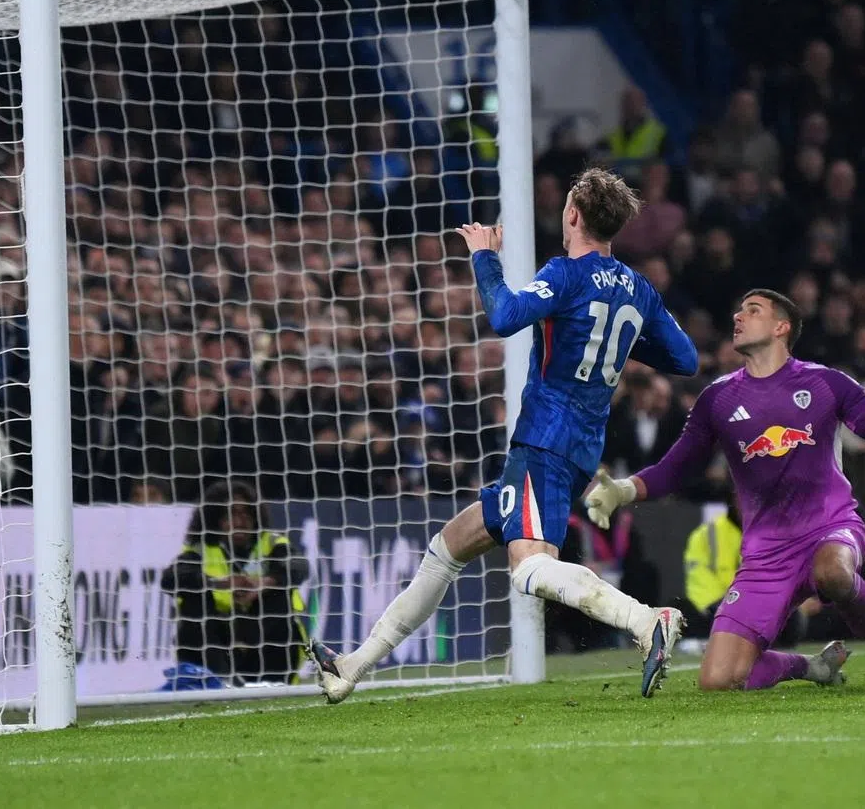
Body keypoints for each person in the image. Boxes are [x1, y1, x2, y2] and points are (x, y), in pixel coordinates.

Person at [310, 169, 699, 703]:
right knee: (445, 551)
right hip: (578, 446)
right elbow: (685, 357)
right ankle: (350, 666)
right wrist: (623, 336)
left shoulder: (565, 274)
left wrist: (483, 254)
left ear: (573, 216)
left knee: (529, 569)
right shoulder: (639, 287)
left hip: (545, 440)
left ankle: (644, 619)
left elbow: (505, 314)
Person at [585, 289, 865, 692]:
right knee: (717, 681)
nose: (738, 317)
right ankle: (812, 666)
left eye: (752, 309)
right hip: (766, 554)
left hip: (830, 527)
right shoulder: (717, 399)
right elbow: (675, 468)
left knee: (832, 573)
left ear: (782, 326)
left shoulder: (826, 384)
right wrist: (623, 491)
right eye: (738, 312)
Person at [160, 479, 310, 684]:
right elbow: (170, 579)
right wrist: (219, 583)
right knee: (193, 599)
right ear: (215, 518)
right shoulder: (202, 548)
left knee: (279, 593)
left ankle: (274, 680)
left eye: (246, 513)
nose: (240, 521)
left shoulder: (272, 543)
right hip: (218, 638)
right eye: (231, 514)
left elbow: (299, 567)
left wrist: (263, 583)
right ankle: (218, 679)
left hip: (265, 636)